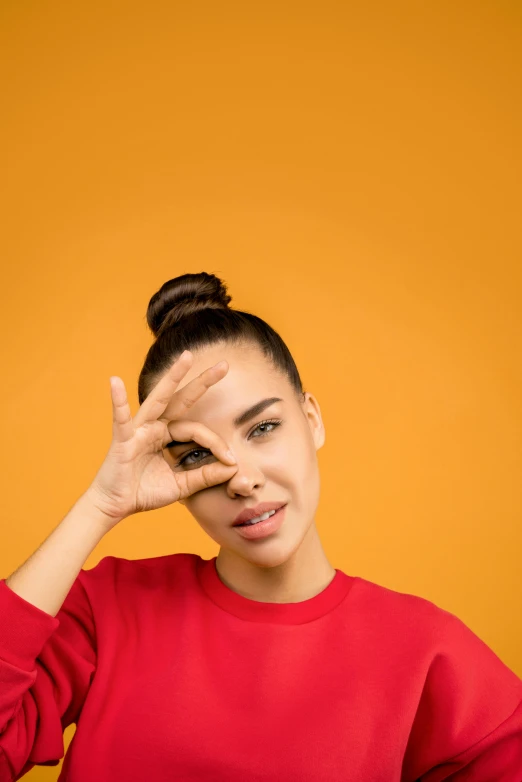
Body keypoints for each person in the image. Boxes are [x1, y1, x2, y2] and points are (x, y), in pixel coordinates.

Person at [1, 271, 521, 781]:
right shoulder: (107, 611)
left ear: (312, 418)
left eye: (263, 428)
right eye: (197, 455)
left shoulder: (428, 654)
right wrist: (100, 505)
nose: (242, 480)